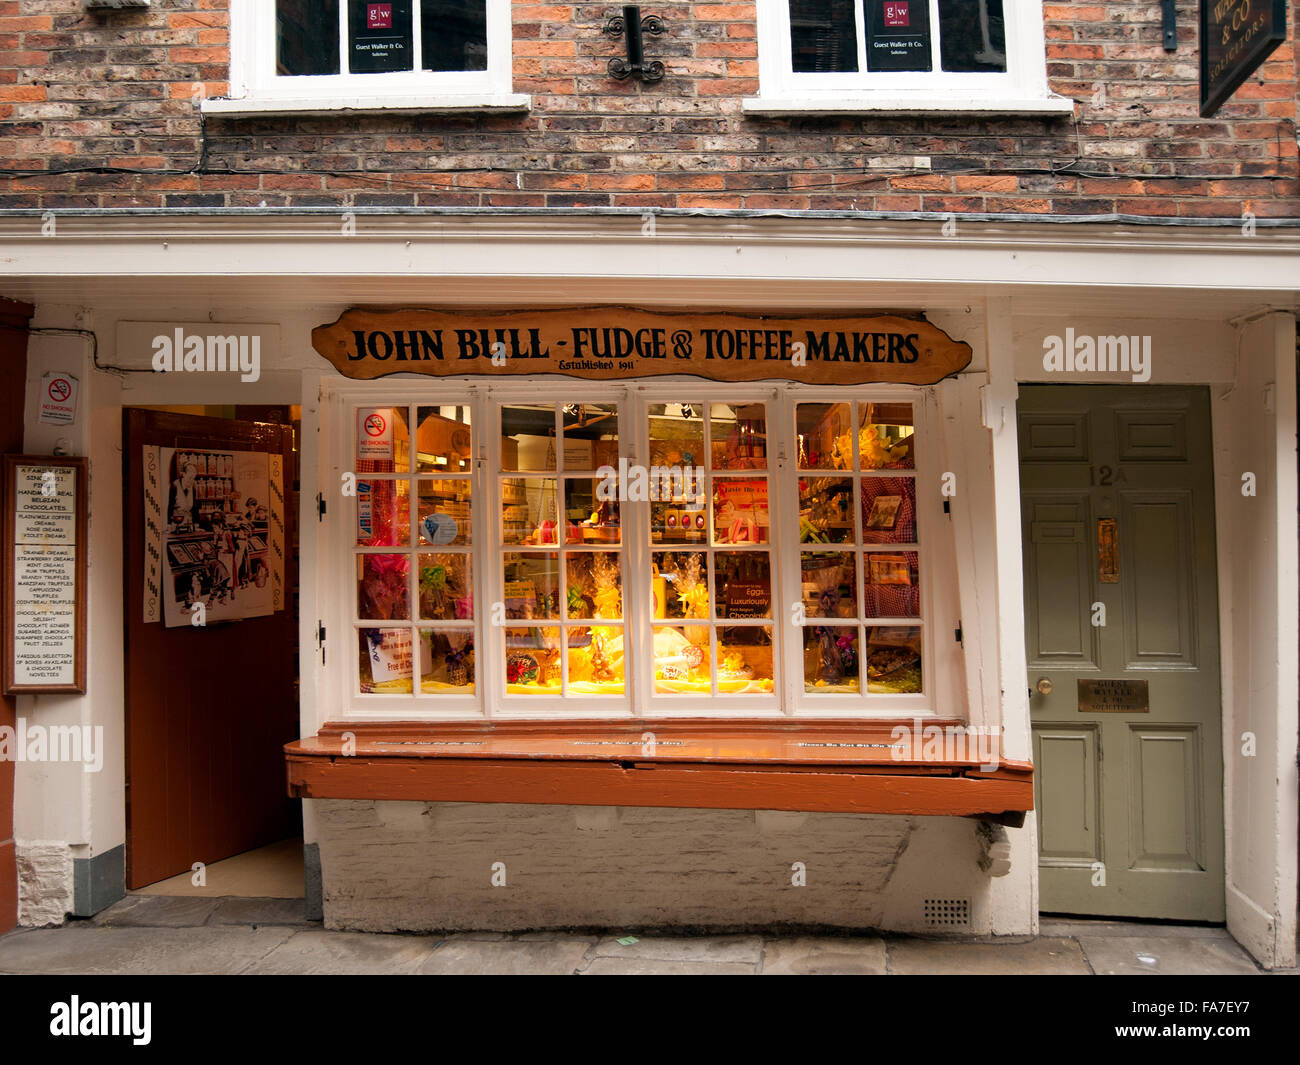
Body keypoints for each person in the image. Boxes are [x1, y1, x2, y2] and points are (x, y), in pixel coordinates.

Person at [169, 460, 197, 528]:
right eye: (189, 478)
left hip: (189, 524)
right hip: (176, 525)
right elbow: (170, 506)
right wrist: (169, 524)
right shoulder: (175, 486)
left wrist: (196, 524)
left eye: (193, 478)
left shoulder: (193, 486)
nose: (191, 481)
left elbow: (195, 507)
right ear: (183, 474)